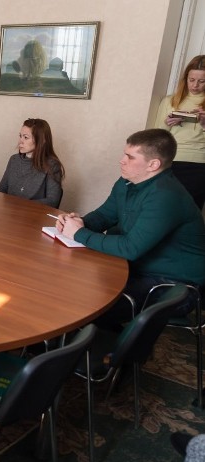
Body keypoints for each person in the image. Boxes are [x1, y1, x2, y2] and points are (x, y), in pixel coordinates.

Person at [57, 129, 205, 329]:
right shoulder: (127, 182)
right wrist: (76, 222)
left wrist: (79, 233)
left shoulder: (166, 195)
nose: (122, 160)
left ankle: (102, 343)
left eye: (130, 157)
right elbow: (103, 216)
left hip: (173, 285)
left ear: (153, 165)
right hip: (137, 268)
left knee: (85, 302)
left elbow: (130, 248)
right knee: (70, 283)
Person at [154, 54, 205, 209]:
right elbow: (156, 137)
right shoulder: (170, 101)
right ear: (185, 79)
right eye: (191, 80)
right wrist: (167, 123)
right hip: (170, 160)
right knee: (163, 207)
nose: (195, 85)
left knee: (190, 210)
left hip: (199, 163)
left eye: (202, 81)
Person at [0, 118, 65, 208]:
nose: (20, 141)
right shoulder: (14, 160)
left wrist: (20, 205)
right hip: (10, 212)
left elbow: (53, 201)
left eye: (26, 137)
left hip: (35, 214)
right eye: (20, 136)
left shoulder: (52, 165)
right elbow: (1, 191)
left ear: (42, 140)